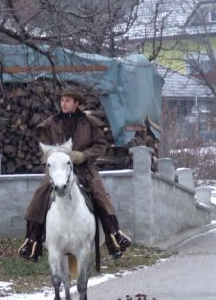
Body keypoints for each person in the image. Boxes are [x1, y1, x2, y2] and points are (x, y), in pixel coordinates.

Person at [18, 87, 132, 261]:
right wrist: (56, 157)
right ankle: (31, 242)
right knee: (40, 195)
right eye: (62, 100)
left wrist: (84, 155)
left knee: (99, 193)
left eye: (68, 100)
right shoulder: (51, 124)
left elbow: (100, 145)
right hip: (58, 169)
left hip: (84, 168)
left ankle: (114, 236)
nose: (64, 104)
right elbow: (44, 147)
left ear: (76, 103)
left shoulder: (89, 123)